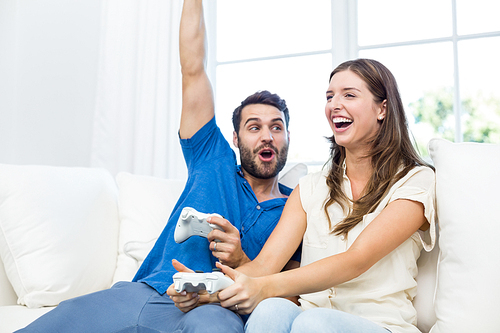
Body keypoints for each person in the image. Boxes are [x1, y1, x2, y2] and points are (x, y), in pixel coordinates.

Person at [16, 0, 299, 332]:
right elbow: (192, 67)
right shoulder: (213, 159)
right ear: (235, 138)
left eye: (276, 127)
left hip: (214, 311)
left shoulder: (296, 208)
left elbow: (291, 296)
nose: (266, 136)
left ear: (288, 137)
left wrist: (240, 262)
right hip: (144, 293)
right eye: (254, 127)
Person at [215, 58, 436, 333]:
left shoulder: (415, 181)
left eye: (349, 95)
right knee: (271, 309)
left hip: (379, 325)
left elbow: (357, 259)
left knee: (312, 322)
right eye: (330, 96)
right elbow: (263, 267)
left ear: (382, 108)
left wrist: (263, 287)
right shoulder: (308, 189)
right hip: (309, 319)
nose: (334, 105)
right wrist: (209, 287)